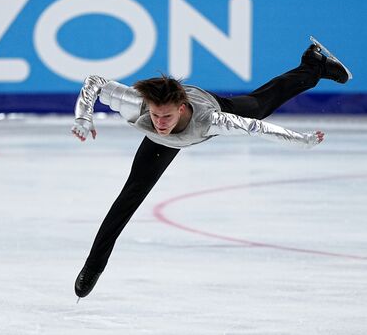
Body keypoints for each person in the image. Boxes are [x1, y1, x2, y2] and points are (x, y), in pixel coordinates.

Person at [71, 36, 352, 299]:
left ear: (180, 109)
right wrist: (84, 118)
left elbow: (255, 128)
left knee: (258, 106)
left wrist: (300, 141)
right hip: (161, 143)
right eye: (155, 115)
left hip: (211, 106)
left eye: (166, 116)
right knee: (129, 197)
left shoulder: (211, 120)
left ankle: (313, 66)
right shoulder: (137, 106)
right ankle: (93, 267)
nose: (160, 122)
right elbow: (95, 81)